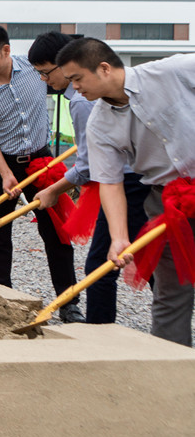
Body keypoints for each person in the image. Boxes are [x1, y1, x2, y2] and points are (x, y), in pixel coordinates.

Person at [58, 39, 195, 346]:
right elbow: (110, 182)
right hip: (166, 203)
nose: (74, 87)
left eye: (77, 78)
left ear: (104, 68)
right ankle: (170, 365)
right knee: (171, 292)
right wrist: (119, 237)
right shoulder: (99, 124)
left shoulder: (172, 71)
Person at [29, 31, 149, 325]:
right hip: (127, 180)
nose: (45, 81)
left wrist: (54, 190)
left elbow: (88, 165)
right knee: (144, 254)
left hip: (128, 183)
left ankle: (98, 332)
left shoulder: (82, 102)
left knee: (102, 266)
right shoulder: (88, 96)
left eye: (46, 73)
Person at [0, 24, 80, 316]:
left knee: (56, 232)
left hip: (41, 160)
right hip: (1, 164)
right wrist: (5, 173)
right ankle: (3, 302)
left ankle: (68, 304)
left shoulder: (34, 69)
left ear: (6, 50)